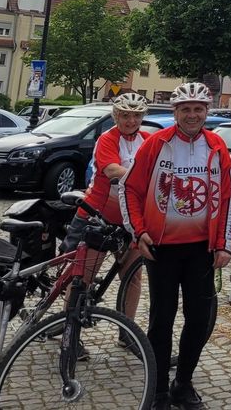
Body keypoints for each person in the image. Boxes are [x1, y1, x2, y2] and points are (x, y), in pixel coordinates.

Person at [121, 82, 231, 410]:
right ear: (175, 112)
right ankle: (157, 389)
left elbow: (228, 196)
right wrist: (138, 232)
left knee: (199, 319)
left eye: (198, 109)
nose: (192, 115)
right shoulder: (156, 144)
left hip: (201, 248)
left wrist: (223, 244)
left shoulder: (216, 146)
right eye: (185, 109)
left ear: (206, 113)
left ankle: (182, 383)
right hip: (162, 248)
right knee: (162, 319)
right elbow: (129, 188)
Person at [61, 91, 149, 318]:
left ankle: (127, 332)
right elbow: (112, 170)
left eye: (137, 116)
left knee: (132, 276)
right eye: (125, 115)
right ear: (115, 116)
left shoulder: (147, 140)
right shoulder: (107, 139)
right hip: (98, 214)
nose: (131, 121)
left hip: (131, 219)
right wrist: (146, 177)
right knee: (84, 277)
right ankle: (70, 332)